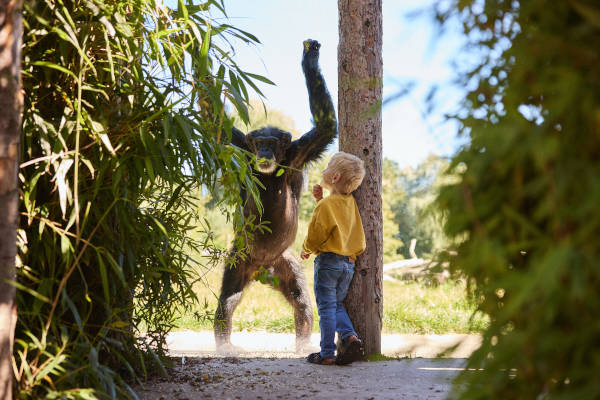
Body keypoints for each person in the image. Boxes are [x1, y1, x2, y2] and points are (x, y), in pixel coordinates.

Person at [300, 152, 366, 365]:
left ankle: (327, 353)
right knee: (336, 305)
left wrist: (306, 248)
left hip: (328, 263)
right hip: (348, 264)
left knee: (326, 308)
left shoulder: (326, 206)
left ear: (335, 177)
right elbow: (345, 228)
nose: (323, 170)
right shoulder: (350, 203)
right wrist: (320, 199)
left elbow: (318, 233)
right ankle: (350, 337)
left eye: (327, 167)